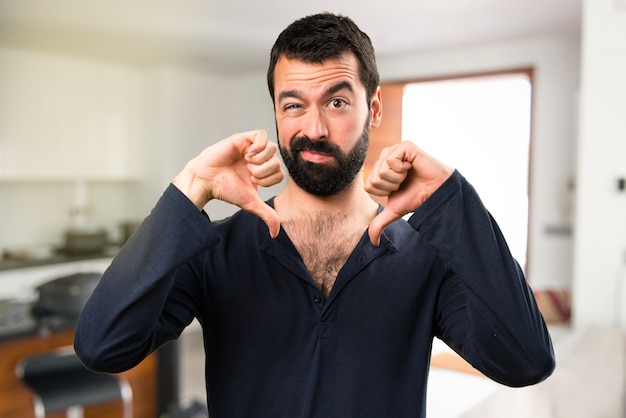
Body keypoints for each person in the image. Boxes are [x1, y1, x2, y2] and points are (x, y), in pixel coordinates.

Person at [75, 12, 554, 418]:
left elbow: (526, 361)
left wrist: (453, 201)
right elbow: (102, 347)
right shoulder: (217, 251)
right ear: (277, 113)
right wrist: (191, 188)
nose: (314, 128)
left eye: (337, 102)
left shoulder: (424, 257)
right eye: (293, 105)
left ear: (375, 108)